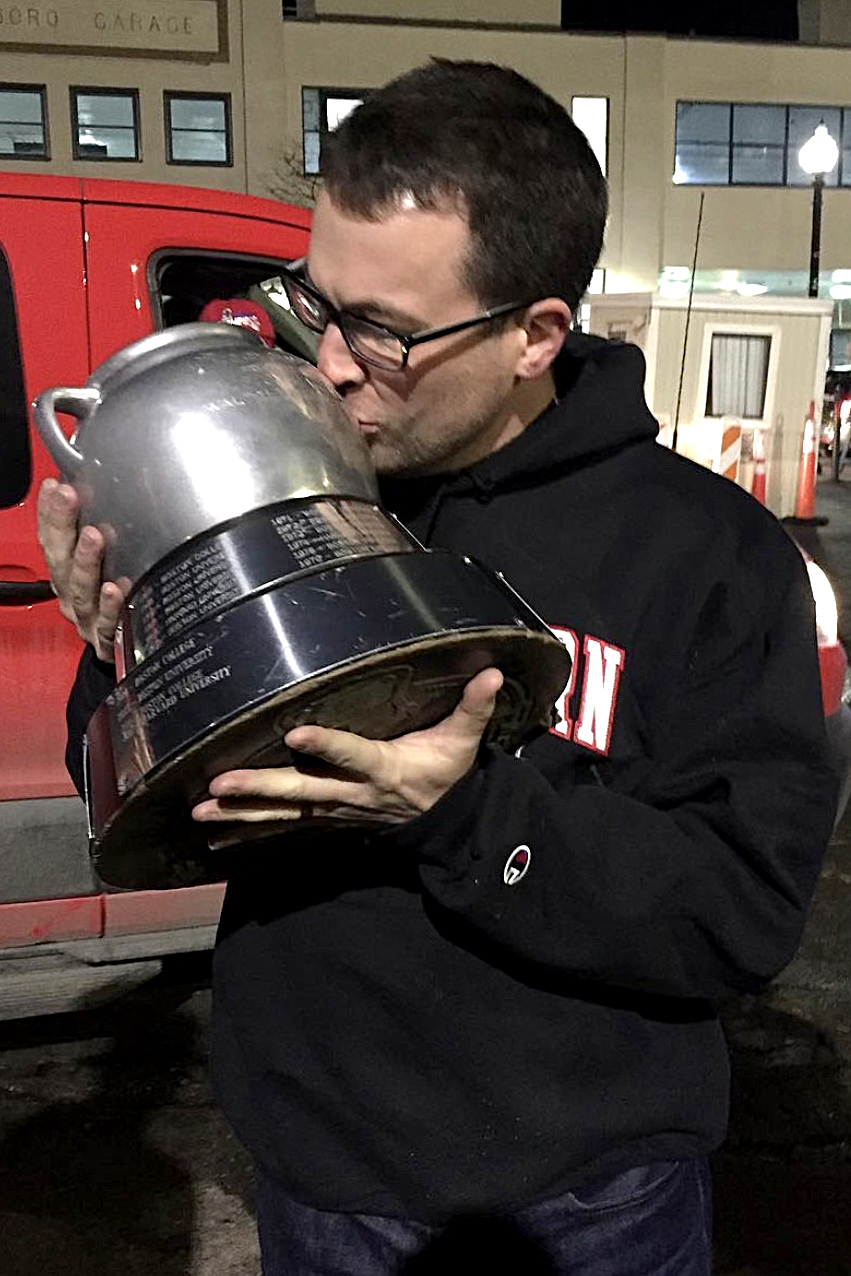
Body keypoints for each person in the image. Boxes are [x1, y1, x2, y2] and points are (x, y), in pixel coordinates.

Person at [39, 60, 836, 1276]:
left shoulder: (707, 557)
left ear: (534, 334)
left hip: (594, 1195)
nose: (334, 363)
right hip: (323, 1171)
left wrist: (466, 813)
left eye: (385, 330)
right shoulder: (283, 487)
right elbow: (162, 814)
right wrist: (127, 650)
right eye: (317, 302)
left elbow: (736, 914)